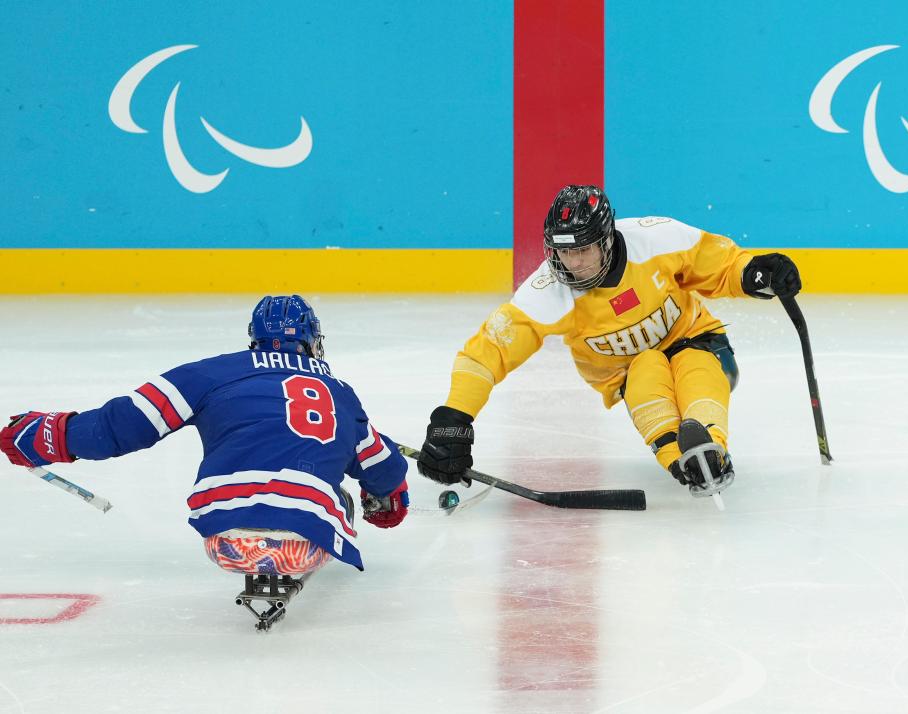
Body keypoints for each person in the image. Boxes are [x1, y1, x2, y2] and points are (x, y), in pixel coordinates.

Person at [417, 185, 801, 499]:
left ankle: (710, 446)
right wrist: (453, 418)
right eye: (564, 252)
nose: (573, 264)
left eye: (582, 250)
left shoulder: (657, 239)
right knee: (646, 368)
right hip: (628, 373)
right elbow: (488, 352)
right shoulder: (548, 291)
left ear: (607, 240)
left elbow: (720, 264)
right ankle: (682, 460)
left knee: (694, 364)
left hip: (698, 340)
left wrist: (755, 272)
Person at [0, 295, 410, 576]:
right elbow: (384, 467)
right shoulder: (340, 394)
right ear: (313, 341)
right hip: (309, 539)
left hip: (224, 536)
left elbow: (121, 425)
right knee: (335, 495)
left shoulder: (210, 373)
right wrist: (390, 502)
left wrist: (45, 435)